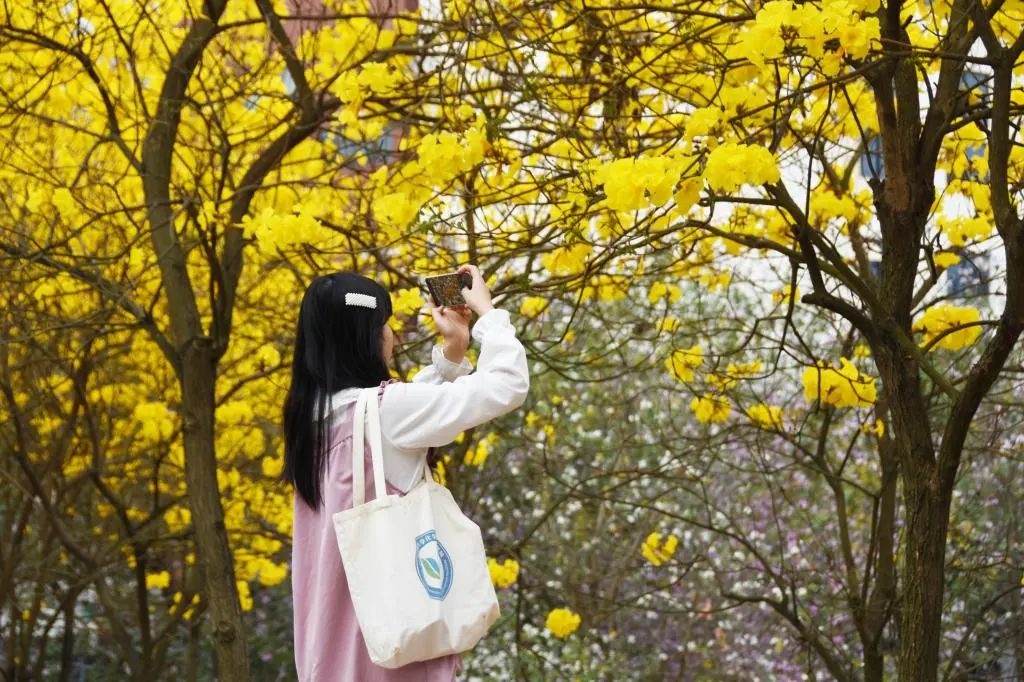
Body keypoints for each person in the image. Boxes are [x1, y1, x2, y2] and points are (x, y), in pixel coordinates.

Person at [283, 264, 530, 681]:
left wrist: (452, 353)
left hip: (331, 657)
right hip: (391, 658)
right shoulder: (386, 413)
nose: (392, 336)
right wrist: (488, 315)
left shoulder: (312, 422)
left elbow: (398, 419)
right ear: (363, 336)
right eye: (384, 324)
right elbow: (506, 384)